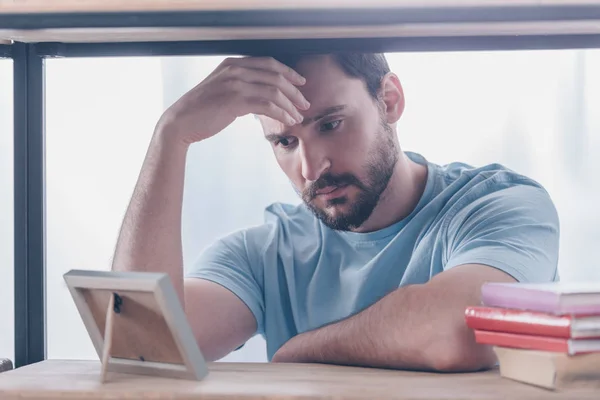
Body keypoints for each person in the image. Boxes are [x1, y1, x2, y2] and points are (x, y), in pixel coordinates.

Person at [111, 53, 559, 372]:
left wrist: (296, 352)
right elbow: (143, 347)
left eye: (330, 124)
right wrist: (170, 137)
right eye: (285, 142)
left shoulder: (497, 206)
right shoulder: (265, 253)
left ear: (390, 100)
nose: (311, 168)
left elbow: (460, 331)